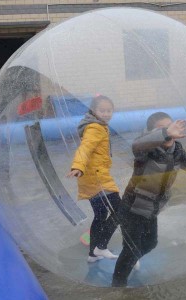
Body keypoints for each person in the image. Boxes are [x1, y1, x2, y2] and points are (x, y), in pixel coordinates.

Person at [112, 112, 186, 287]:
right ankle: (117, 287)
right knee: (131, 248)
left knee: (151, 243)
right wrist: (166, 132)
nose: (171, 130)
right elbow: (137, 144)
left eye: (172, 126)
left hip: (152, 209)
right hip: (132, 207)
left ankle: (130, 257)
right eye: (163, 128)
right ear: (151, 134)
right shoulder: (145, 150)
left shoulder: (177, 152)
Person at [67, 95, 121, 263]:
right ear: (93, 111)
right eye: (102, 110)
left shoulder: (98, 125)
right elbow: (85, 148)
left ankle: (92, 253)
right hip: (97, 179)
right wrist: (77, 166)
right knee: (120, 211)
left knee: (101, 214)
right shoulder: (95, 128)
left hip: (90, 177)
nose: (106, 114)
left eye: (109, 110)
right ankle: (101, 247)